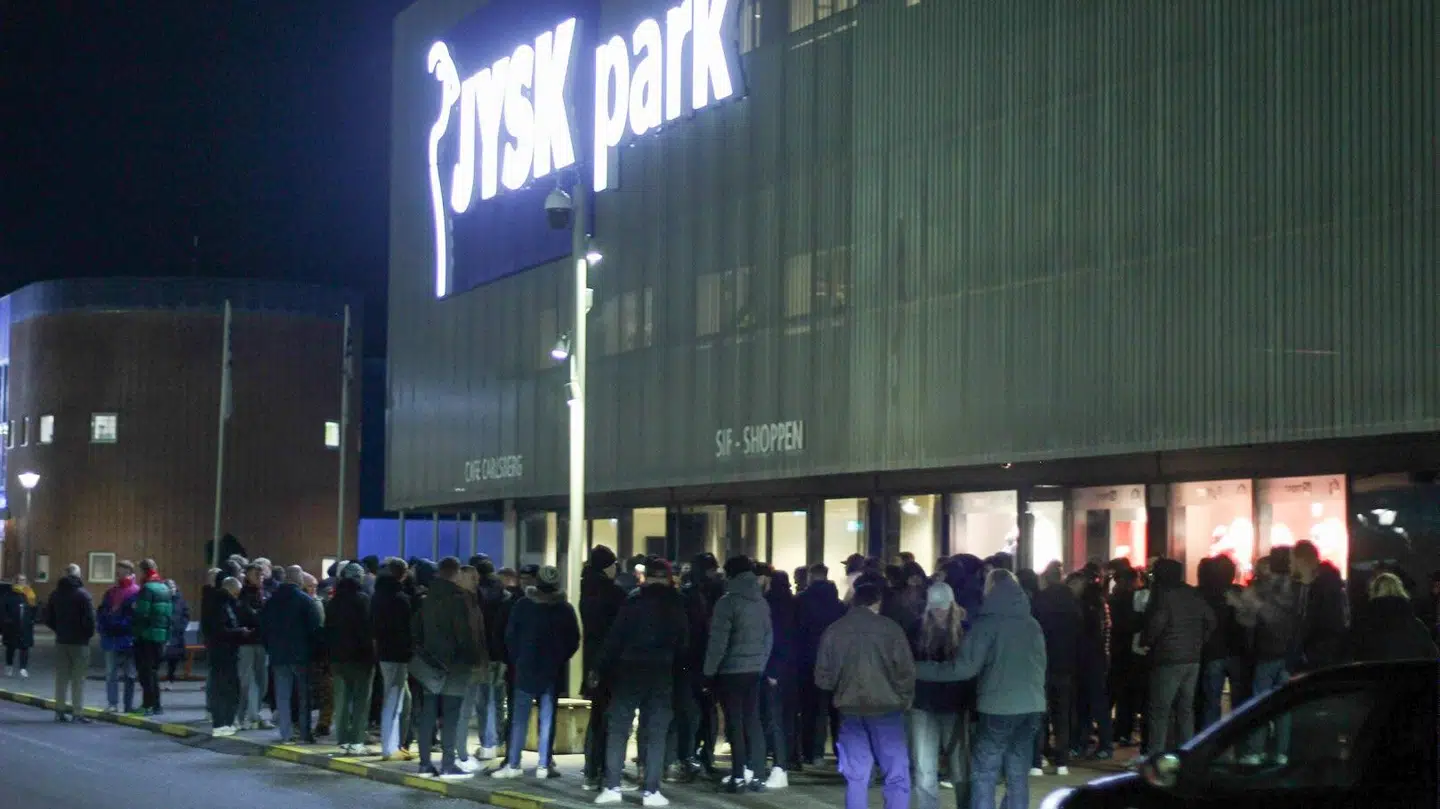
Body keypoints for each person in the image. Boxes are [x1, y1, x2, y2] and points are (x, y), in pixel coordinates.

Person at [917, 568, 1046, 809]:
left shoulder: (987, 624)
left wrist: (918, 669)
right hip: (1032, 707)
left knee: (985, 773)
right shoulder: (1032, 624)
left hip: (998, 707)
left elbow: (963, 669)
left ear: (992, 588)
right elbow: (1041, 664)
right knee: (1018, 775)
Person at [592, 557, 689, 807]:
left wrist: (599, 667)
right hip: (661, 672)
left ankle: (612, 786)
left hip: (629, 669)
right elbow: (684, 643)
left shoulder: (633, 601)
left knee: (619, 728)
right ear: (668, 578)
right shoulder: (677, 604)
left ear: (646, 577)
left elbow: (615, 637)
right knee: (656, 732)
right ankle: (651, 790)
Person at [814, 572, 916, 809]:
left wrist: (841, 687)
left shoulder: (834, 630)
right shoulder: (890, 629)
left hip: (850, 710)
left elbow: (822, 678)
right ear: (877, 602)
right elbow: (906, 671)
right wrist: (903, 697)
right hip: (887, 710)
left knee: (856, 777)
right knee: (896, 775)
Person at [493, 565, 579, 780]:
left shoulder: (523, 605)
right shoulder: (564, 609)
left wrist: (518, 658)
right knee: (547, 718)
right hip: (551, 670)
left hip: (525, 667)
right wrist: (559, 658)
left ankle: (513, 763)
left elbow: (510, 636)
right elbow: (573, 640)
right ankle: (543, 764)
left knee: (519, 718)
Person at [703, 555, 775, 792]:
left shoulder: (727, 602)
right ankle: (757, 774)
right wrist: (761, 664)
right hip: (755, 670)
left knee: (734, 723)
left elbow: (718, 643)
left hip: (731, 671)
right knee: (753, 720)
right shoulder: (761, 602)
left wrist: (709, 672)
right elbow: (768, 637)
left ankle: (738, 775)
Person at [411, 556, 485, 778]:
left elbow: (415, 632)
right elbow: (465, 634)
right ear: (456, 573)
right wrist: (474, 660)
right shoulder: (459, 599)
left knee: (428, 714)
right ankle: (448, 764)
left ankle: (425, 764)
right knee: (451, 716)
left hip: (430, 666)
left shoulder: (425, 599)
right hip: (455, 666)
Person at [1142, 558, 1216, 753]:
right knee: (1185, 709)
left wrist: (1146, 641)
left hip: (1168, 657)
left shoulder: (1165, 595)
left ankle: (1156, 754)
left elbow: (1157, 623)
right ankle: (1187, 752)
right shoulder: (1193, 594)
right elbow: (1211, 620)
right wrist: (1199, 641)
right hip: (1193, 658)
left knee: (1160, 710)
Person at [910, 581, 970, 809]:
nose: (939, 612)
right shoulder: (916, 628)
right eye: (935, 608)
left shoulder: (965, 629)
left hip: (954, 705)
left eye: (942, 608)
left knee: (959, 767)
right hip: (924, 705)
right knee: (924, 767)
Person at [579, 545, 626, 790]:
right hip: (611, 663)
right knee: (611, 718)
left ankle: (591, 770)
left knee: (597, 717)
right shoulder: (613, 593)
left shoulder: (586, 589)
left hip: (592, 662)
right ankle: (608, 771)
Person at [262, 565, 323, 744]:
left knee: (282, 696)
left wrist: (270, 648)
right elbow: (315, 629)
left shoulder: (271, 601)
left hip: (278, 655)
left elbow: (263, 628)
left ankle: (286, 733)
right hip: (301, 655)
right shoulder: (305, 600)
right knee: (303, 696)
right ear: (299, 580)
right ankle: (304, 733)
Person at [1030, 564, 1081, 775]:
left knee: (1041, 714)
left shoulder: (1040, 600)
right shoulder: (1072, 602)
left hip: (1043, 663)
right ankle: (1062, 762)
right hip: (1065, 664)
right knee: (1062, 715)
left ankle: (1037, 761)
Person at [795, 562, 846, 764]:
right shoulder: (839, 605)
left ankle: (813, 752)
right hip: (836, 662)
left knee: (812, 710)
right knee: (837, 711)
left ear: (810, 577)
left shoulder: (801, 601)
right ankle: (841, 753)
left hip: (809, 661)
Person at [327, 562, 376, 754]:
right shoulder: (363, 600)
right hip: (360, 658)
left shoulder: (333, 601)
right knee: (360, 700)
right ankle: (356, 740)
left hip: (337, 658)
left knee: (341, 700)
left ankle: (342, 739)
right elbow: (368, 630)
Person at [372, 557, 415, 761]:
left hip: (384, 653)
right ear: (404, 574)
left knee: (401, 699)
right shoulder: (401, 598)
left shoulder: (378, 595)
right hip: (398, 655)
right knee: (396, 699)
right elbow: (407, 629)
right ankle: (390, 746)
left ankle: (397, 744)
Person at [761, 569, 798, 783]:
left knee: (773, 717)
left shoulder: (771, 604)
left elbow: (778, 639)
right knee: (789, 716)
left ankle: (779, 764)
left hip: (774, 669)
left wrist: (773, 670)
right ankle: (789, 758)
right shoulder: (794, 602)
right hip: (793, 668)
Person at [46, 564, 97, 723]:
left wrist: (59, 630)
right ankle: (77, 712)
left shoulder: (55, 594)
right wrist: (87, 635)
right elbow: (90, 619)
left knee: (61, 677)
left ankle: (59, 711)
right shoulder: (83, 595)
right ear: (78, 575)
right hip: (79, 642)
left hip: (61, 640)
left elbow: (48, 618)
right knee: (78, 678)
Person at [1350, 572, 1438, 661]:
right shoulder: (1417, 626)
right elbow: (1433, 657)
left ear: (1374, 592)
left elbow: (1355, 658)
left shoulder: (1363, 627)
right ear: (1400, 590)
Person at [1289, 540, 1348, 673]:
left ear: (1301, 560)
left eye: (1292, 560)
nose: (1290, 565)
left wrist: (1309, 653)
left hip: (1318, 655)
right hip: (1316, 652)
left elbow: (1323, 620)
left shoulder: (1322, 586)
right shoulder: (1320, 583)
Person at [206, 576, 251, 735]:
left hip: (220, 652)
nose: (237, 596)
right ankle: (222, 724)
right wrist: (240, 632)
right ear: (231, 590)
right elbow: (220, 630)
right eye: (237, 593)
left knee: (223, 688)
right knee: (226, 689)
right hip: (224, 652)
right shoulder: (222, 605)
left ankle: (223, 723)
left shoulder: (215, 602)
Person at [131, 559, 175, 715]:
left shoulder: (147, 589)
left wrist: (134, 611)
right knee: (154, 671)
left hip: (147, 635)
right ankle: (156, 705)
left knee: (145, 672)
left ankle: (147, 705)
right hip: (161, 635)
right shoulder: (164, 587)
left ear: (143, 571)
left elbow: (142, 613)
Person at [97, 560, 140, 713]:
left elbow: (135, 616)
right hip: (112, 637)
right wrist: (103, 627)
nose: (118, 573)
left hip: (127, 638)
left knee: (129, 674)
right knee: (111, 673)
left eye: (121, 570)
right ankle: (113, 703)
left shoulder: (136, 592)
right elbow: (101, 611)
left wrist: (114, 624)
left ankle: (127, 704)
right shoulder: (111, 592)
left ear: (129, 571)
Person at [235, 563, 272, 729]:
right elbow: (248, 615)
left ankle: (255, 714)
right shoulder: (243, 594)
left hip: (261, 641)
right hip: (246, 642)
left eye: (261, 574)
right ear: (247, 576)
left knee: (262, 681)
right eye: (256, 574)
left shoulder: (265, 594)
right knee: (246, 681)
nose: (260, 577)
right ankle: (241, 716)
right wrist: (262, 618)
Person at [0, 578, 37, 678]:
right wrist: (7, 620)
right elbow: (3, 609)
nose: (22, 582)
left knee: (25, 647)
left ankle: (23, 668)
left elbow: (34, 608)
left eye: (23, 580)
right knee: (10, 647)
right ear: (15, 582)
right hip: (12, 626)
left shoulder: (29, 594)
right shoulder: (9, 595)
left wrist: (32, 619)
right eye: (20, 580)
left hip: (25, 626)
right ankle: (9, 666)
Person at [163, 579, 191, 689]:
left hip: (177, 632)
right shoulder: (161, 600)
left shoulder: (180, 600)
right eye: (169, 588)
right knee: (161, 655)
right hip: (164, 631)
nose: (172, 589)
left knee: (173, 657)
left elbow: (186, 615)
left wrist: (181, 626)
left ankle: (170, 677)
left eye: (173, 587)